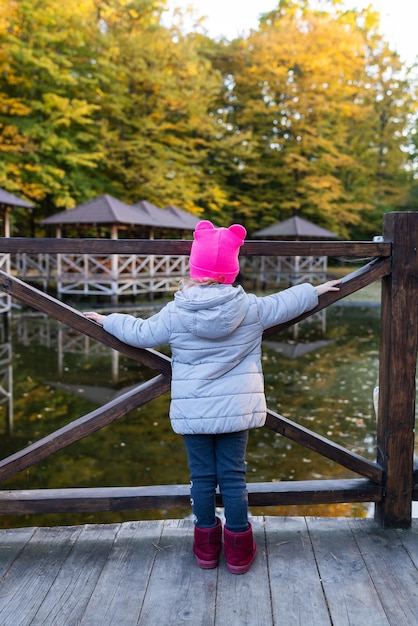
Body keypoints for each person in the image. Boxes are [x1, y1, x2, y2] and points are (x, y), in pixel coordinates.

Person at [84, 220, 341, 574]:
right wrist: (316, 289)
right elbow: (286, 303)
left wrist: (108, 319)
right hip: (237, 409)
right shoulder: (250, 308)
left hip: (195, 413)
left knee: (201, 479)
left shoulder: (176, 311)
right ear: (232, 271)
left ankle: (206, 549)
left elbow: (140, 332)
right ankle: (238, 551)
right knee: (234, 477)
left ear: (194, 267)